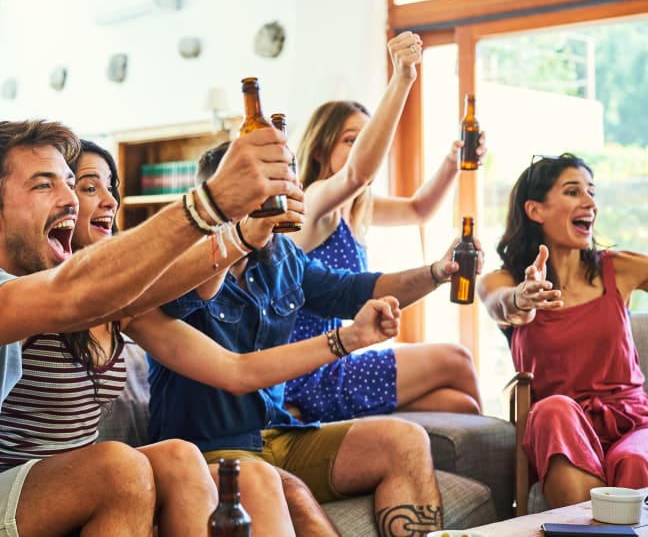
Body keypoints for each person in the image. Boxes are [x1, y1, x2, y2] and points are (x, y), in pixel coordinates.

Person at [0, 120, 300, 536]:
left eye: (71, 183)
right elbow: (76, 293)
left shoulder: (25, 288)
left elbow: (135, 294)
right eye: (44, 185)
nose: (72, 199)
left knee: (126, 465)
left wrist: (240, 234)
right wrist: (210, 205)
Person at [146, 140, 486, 537]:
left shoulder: (283, 258)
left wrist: (436, 271)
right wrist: (239, 234)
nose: (283, 192)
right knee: (290, 492)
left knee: (404, 439)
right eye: (264, 183)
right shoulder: (179, 264)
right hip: (209, 449)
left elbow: (359, 290)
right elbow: (223, 344)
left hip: (281, 432)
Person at [284, 31, 483, 423]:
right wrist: (403, 77)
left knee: (462, 407)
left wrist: (452, 161)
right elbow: (358, 172)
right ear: (322, 149)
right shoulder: (313, 201)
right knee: (458, 358)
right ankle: (518, 473)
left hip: (335, 358)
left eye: (367, 140)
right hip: (307, 371)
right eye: (351, 140)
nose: (363, 149)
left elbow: (419, 209)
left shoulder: (358, 208)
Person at [477, 153, 648, 508]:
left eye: (592, 192)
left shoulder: (620, 269)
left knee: (634, 460)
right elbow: (502, 304)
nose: (589, 202)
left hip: (632, 422)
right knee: (555, 409)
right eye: (573, 192)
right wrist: (522, 298)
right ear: (535, 210)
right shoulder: (502, 280)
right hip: (563, 428)